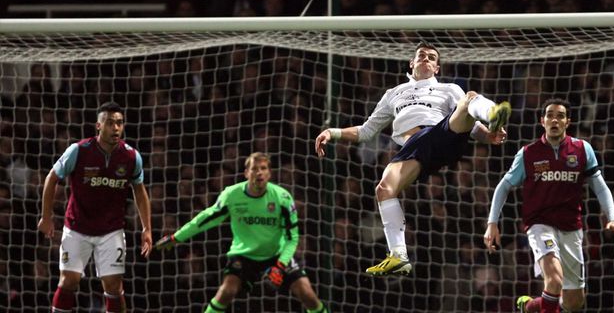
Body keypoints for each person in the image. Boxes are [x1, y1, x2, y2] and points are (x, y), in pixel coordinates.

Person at [315, 41, 511, 277]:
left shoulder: (448, 89)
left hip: (441, 134)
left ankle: (493, 113)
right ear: (412, 63)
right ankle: (398, 255)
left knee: (468, 98)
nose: (426, 59)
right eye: (421, 56)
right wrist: (332, 133)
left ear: (437, 68)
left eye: (431, 57)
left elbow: (465, 123)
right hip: (415, 149)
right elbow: (366, 131)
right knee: (384, 189)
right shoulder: (393, 94)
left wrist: (486, 134)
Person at [484, 98, 614, 313]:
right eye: (550, 115)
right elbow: (503, 186)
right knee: (554, 280)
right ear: (542, 121)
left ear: (567, 122)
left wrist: (613, 219)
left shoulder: (582, 149)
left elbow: (600, 187)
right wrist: (492, 223)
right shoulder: (528, 153)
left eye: (560, 116)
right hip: (539, 225)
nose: (554, 119)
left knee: (573, 302)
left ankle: (530, 306)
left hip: (572, 227)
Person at [154, 152, 329, 313]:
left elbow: (292, 239)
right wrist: (176, 237)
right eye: (254, 168)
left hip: (276, 255)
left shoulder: (282, 198)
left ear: (269, 173)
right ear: (246, 173)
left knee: (307, 295)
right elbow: (205, 219)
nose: (259, 173)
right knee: (226, 291)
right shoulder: (232, 195)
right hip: (244, 255)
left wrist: (280, 265)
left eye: (263, 168)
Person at [37, 101, 152, 313]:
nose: (115, 128)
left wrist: (147, 228)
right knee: (69, 281)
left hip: (111, 230)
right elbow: (52, 178)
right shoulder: (79, 151)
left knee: (113, 286)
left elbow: (139, 191)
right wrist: (46, 217)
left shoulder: (131, 157)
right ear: (98, 126)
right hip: (77, 227)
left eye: (119, 123)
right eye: (109, 123)